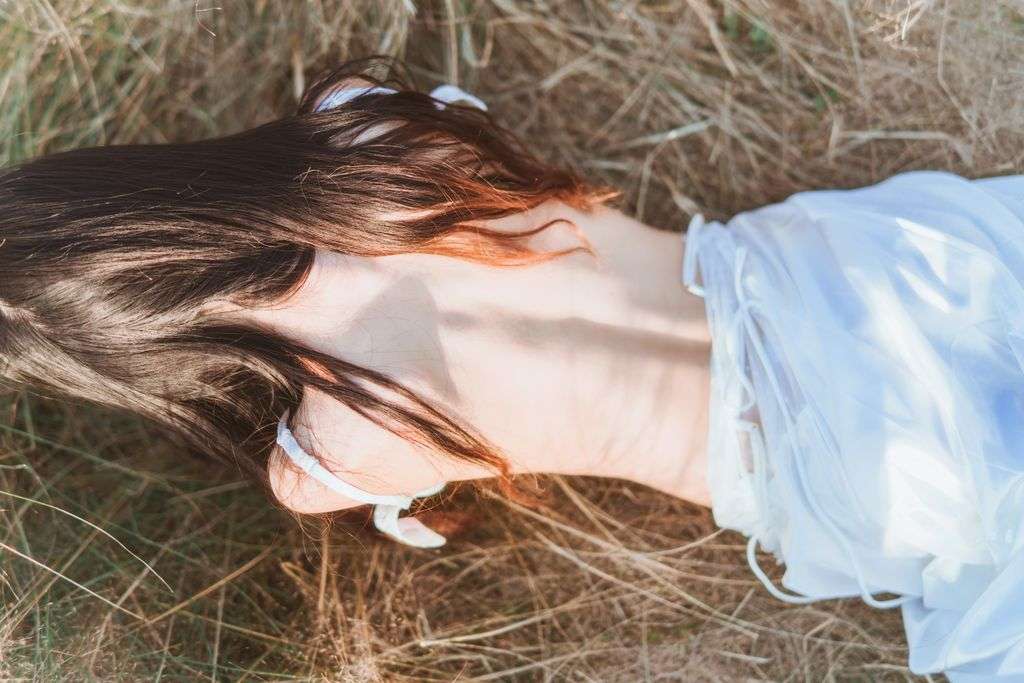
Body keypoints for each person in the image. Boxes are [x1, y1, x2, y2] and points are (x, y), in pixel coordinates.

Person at [3, 59, 1022, 680]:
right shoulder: (366, 126)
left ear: (136, 362)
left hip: (847, 465)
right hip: (858, 276)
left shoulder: (326, 455)